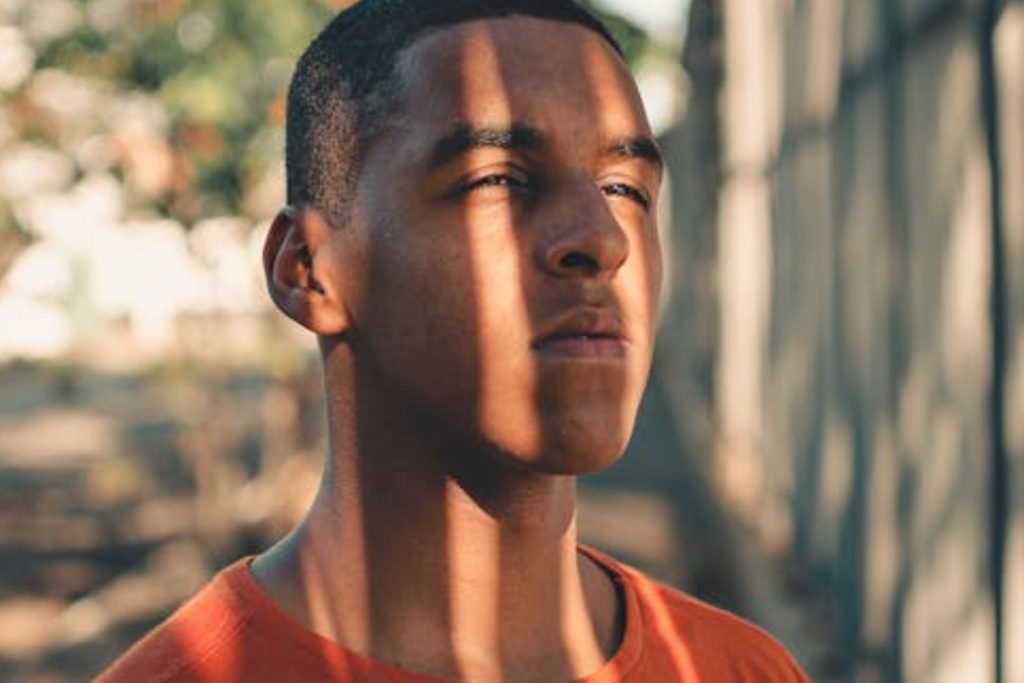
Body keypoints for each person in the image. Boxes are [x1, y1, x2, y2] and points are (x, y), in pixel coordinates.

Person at [97, 1, 811, 681]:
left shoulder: (740, 669)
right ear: (307, 271)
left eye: (625, 188)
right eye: (497, 178)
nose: (601, 239)